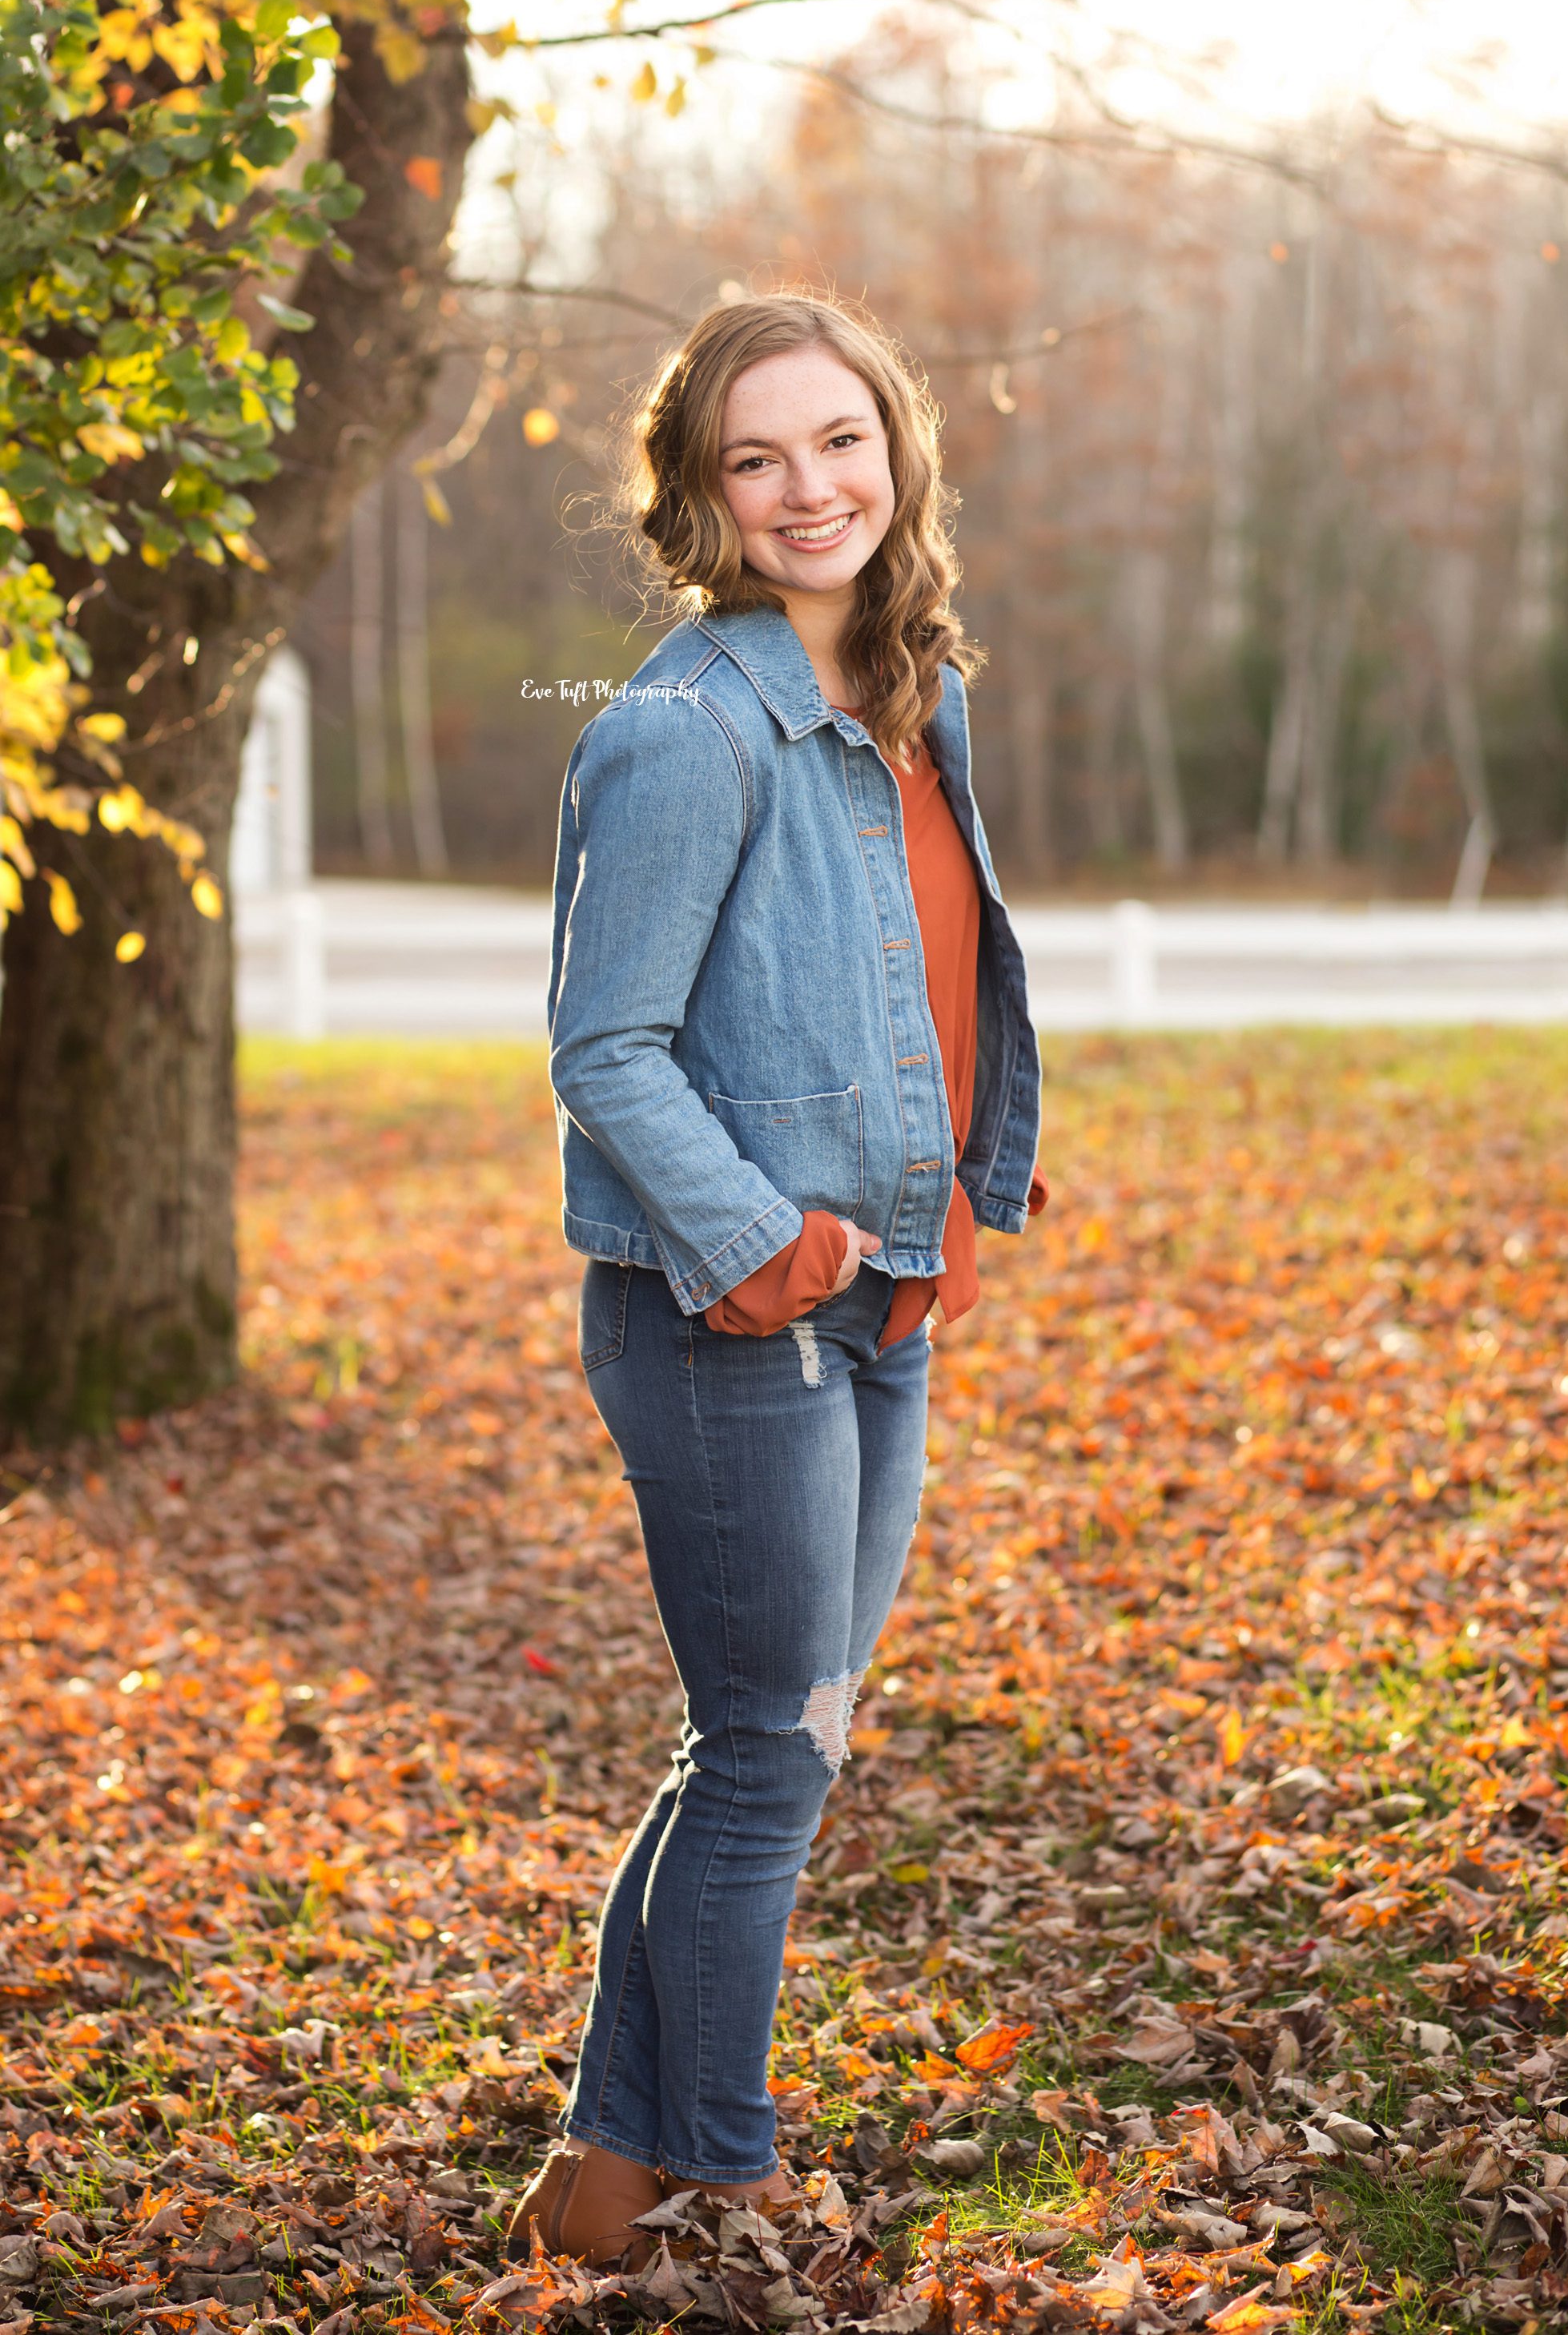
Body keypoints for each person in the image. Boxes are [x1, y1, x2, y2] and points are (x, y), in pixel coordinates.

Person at [507, 289, 1045, 2269]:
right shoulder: (682, 726)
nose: (808, 489)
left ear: (895, 446)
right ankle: (722, 2171)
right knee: (764, 1763)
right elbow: (604, 1050)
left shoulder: (911, 687)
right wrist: (759, 1240)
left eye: (838, 441)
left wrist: (967, 1158)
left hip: (891, 1287)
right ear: (703, 497)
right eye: (757, 458)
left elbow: (910, 971)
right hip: (737, 1317)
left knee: (766, 1744)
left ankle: (608, 2169)